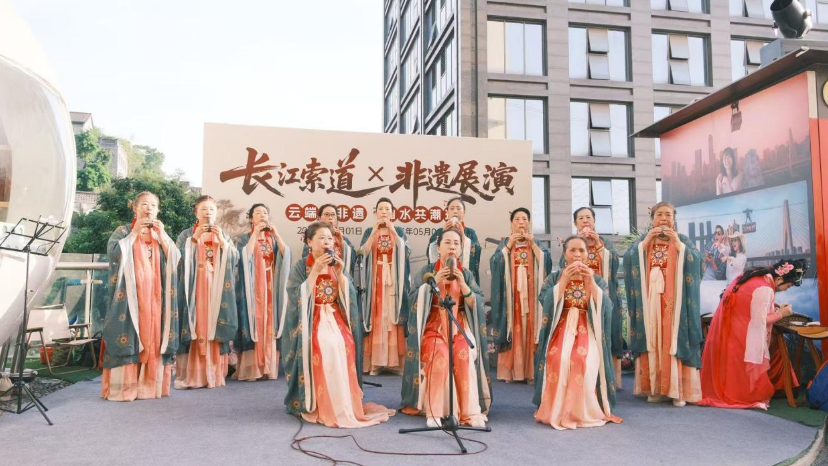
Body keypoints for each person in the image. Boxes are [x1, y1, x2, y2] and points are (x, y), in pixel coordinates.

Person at [282, 222, 394, 427]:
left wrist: (341, 274)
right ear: (309, 242)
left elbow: (348, 296)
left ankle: (343, 402)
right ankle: (320, 403)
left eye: (329, 238)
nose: (327, 242)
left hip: (334, 316)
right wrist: (315, 271)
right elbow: (295, 296)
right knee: (325, 345)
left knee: (346, 343)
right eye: (321, 238)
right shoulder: (300, 267)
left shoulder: (336, 263)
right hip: (312, 317)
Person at [401, 228, 491, 427]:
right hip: (433, 326)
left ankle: (468, 412)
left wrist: (463, 285)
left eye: (456, 243)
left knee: (463, 353)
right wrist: (434, 283)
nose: (452, 247)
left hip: (459, 325)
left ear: (460, 249)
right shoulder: (426, 271)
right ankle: (434, 412)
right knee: (440, 353)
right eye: (447, 243)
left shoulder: (466, 273)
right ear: (438, 247)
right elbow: (412, 299)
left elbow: (477, 302)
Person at [534, 236, 621, 429]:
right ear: (564, 254)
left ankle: (580, 410)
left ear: (588, 254)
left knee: (582, 359)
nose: (577, 254)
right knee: (558, 358)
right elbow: (545, 301)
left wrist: (590, 283)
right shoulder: (555, 277)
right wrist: (564, 280)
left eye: (581, 250)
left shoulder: (596, 279)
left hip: (588, 328)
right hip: (560, 328)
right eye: (572, 250)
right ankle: (556, 408)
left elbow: (607, 307)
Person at [101, 191, 181, 401]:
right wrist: (134, 232)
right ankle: (125, 388)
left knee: (154, 334)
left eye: (153, 205)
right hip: (130, 297)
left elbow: (176, 259)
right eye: (144, 204)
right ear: (135, 208)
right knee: (129, 334)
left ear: (158, 210)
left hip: (156, 296)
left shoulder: (159, 233)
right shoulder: (123, 231)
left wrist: (163, 236)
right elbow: (114, 254)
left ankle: (150, 388)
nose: (148, 208)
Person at [699, 259, 807, 409]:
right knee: (773, 351)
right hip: (742, 331)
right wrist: (781, 314)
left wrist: (771, 305)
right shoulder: (765, 288)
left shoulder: (756, 275)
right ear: (780, 279)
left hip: (733, 327)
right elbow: (759, 321)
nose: (786, 289)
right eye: (788, 286)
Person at [624, 201, 702, 407]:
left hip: (676, 304)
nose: (664, 219)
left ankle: (679, 391)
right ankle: (655, 388)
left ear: (674, 219)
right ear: (652, 219)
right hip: (650, 302)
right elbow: (629, 261)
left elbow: (698, 263)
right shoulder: (644, 241)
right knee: (653, 338)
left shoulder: (682, 240)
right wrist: (644, 244)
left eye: (668, 214)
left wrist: (678, 244)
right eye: (659, 215)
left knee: (672, 338)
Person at [174, 195, 239, 389]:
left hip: (217, 290)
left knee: (215, 324)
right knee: (196, 324)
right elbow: (177, 260)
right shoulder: (186, 234)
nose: (208, 213)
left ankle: (214, 375)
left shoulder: (223, 234)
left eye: (211, 209)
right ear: (196, 212)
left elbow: (235, 259)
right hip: (195, 289)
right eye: (203, 209)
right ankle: (193, 375)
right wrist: (194, 240)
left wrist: (223, 242)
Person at [489, 207, 552, 384]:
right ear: (511, 223)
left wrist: (533, 246)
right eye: (517, 219)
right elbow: (495, 264)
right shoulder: (505, 243)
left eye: (524, 219)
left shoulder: (536, 243)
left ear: (529, 223)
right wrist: (508, 246)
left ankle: (531, 373)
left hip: (532, 296)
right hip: (511, 297)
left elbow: (547, 263)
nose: (521, 223)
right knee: (513, 328)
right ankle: (510, 372)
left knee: (532, 328)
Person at [564, 207, 623, 388]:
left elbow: (614, 264)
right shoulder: (572, 244)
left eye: (588, 217)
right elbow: (563, 267)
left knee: (608, 332)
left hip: (603, 296)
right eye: (581, 218)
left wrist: (598, 244)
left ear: (594, 221)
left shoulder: (604, 242)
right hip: (579, 299)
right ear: (575, 223)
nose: (585, 221)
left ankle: (610, 381)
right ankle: (581, 379)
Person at [233, 203, 291, 381]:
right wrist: (256, 234)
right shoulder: (244, 238)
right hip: (252, 287)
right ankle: (251, 370)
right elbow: (243, 257)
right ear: (251, 219)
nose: (262, 215)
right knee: (254, 321)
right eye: (258, 213)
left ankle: (268, 369)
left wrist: (276, 235)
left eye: (265, 212)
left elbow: (286, 255)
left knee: (270, 322)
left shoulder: (272, 239)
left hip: (271, 285)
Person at [358, 197, 410, 375]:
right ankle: (376, 363)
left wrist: (392, 230)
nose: (384, 212)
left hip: (394, 280)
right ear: (375, 212)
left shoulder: (399, 231)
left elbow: (405, 252)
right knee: (377, 316)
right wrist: (374, 231)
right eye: (381, 209)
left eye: (388, 209)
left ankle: (395, 364)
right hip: (376, 280)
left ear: (393, 213)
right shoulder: (369, 231)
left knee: (393, 317)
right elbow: (362, 253)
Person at [426, 197, 482, 285]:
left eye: (459, 209)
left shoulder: (470, 233)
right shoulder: (439, 232)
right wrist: (443, 234)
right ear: (447, 212)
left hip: (464, 278)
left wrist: (463, 237)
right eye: (452, 208)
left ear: (464, 213)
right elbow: (430, 251)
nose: (455, 211)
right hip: (442, 277)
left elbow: (476, 253)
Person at [301, 204, 357, 277]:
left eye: (333, 215)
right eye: (327, 214)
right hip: (317, 277)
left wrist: (342, 242)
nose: (330, 217)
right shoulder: (313, 238)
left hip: (340, 278)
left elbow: (353, 260)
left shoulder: (343, 239)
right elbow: (305, 263)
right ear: (319, 218)